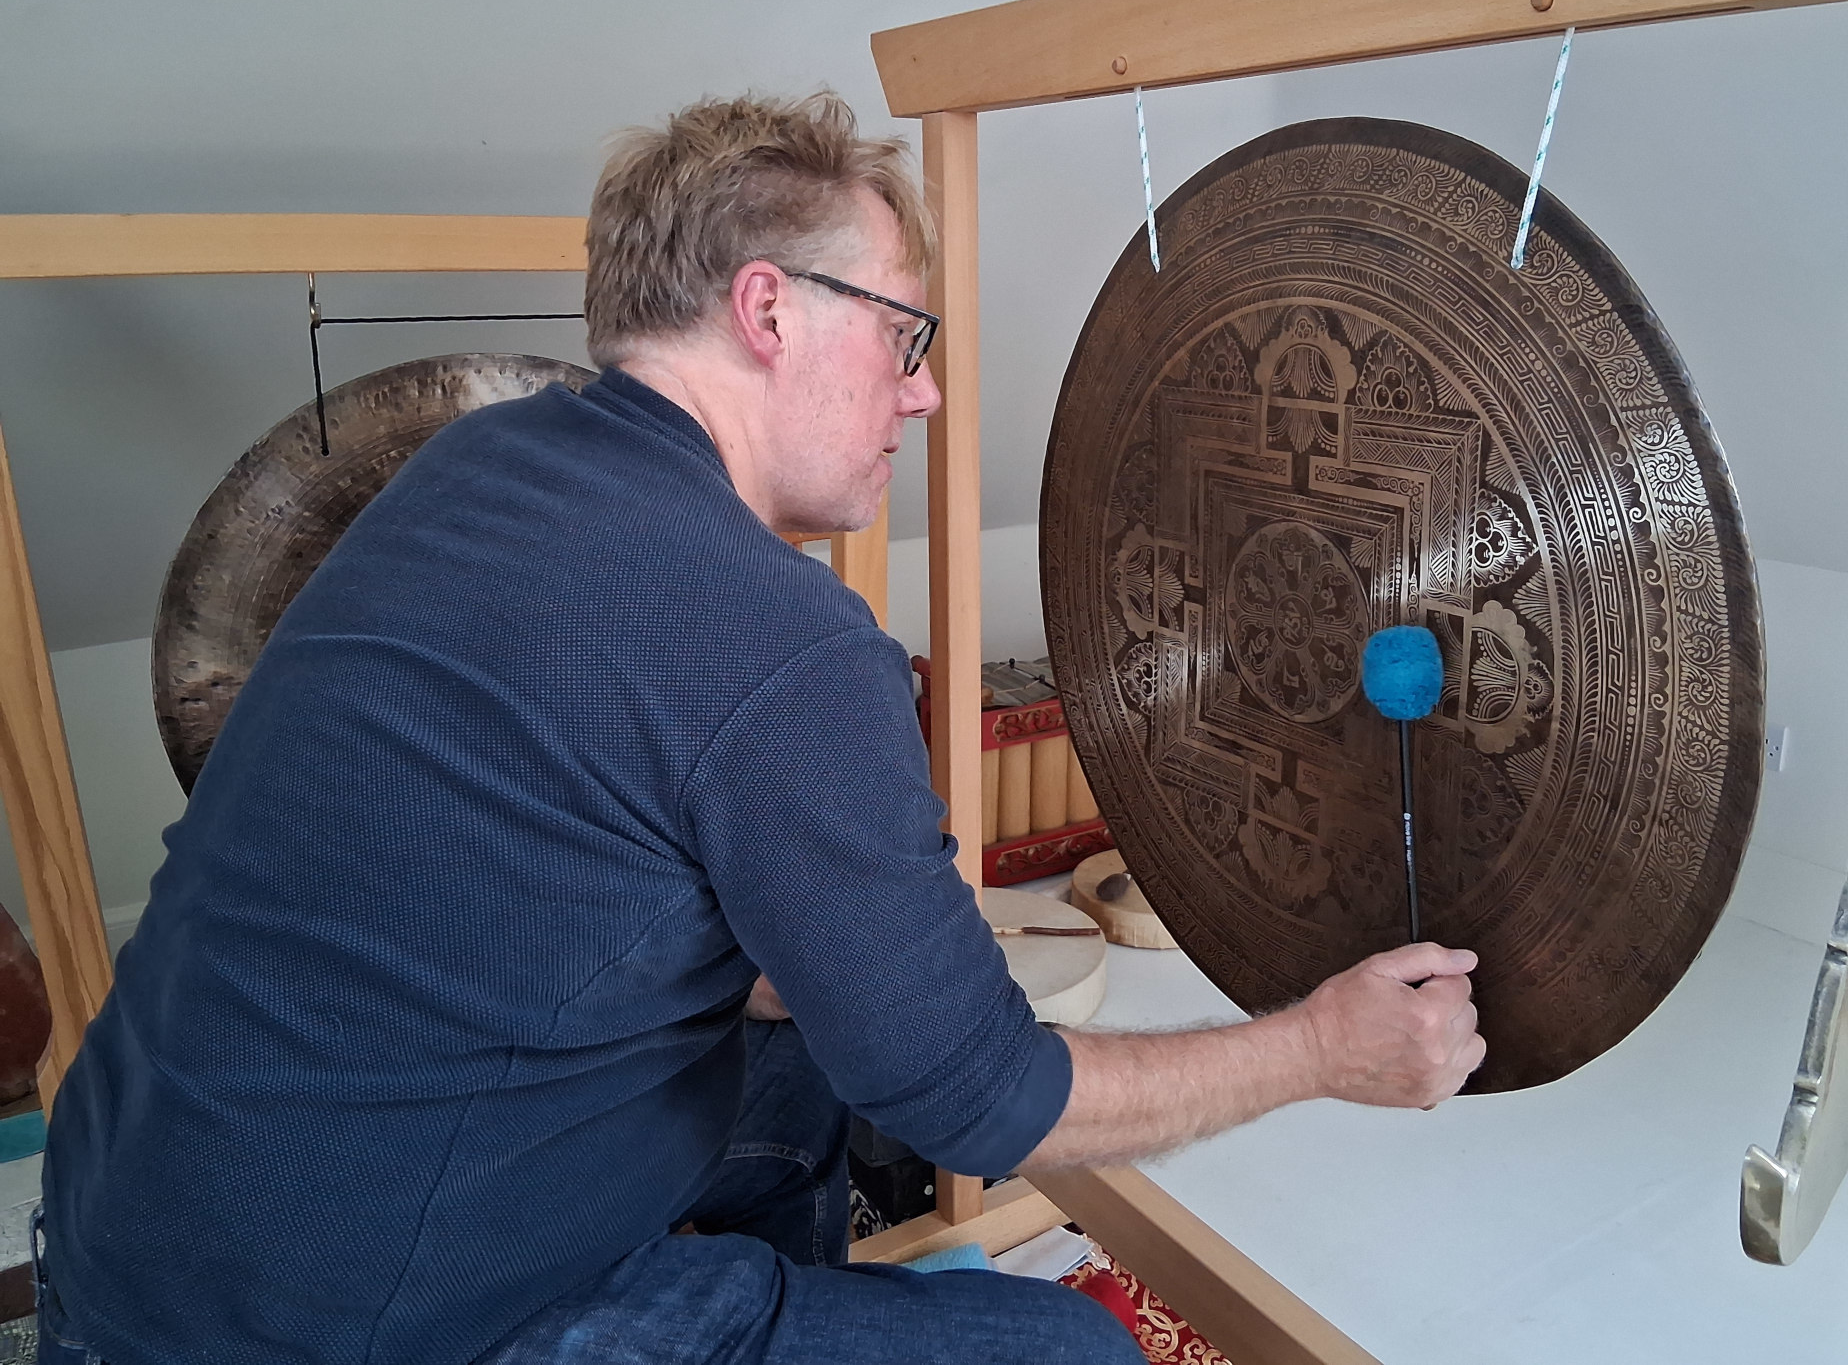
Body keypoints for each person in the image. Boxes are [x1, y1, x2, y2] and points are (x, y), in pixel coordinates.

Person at [37, 91, 1483, 1365]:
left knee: (793, 1079)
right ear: (769, 309)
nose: (924, 389)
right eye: (904, 333)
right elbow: (985, 1104)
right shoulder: (782, 640)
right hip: (334, 1330)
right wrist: (1320, 1048)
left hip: (123, 1235)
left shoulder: (475, 461)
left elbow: (550, 837)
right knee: (1070, 1351)